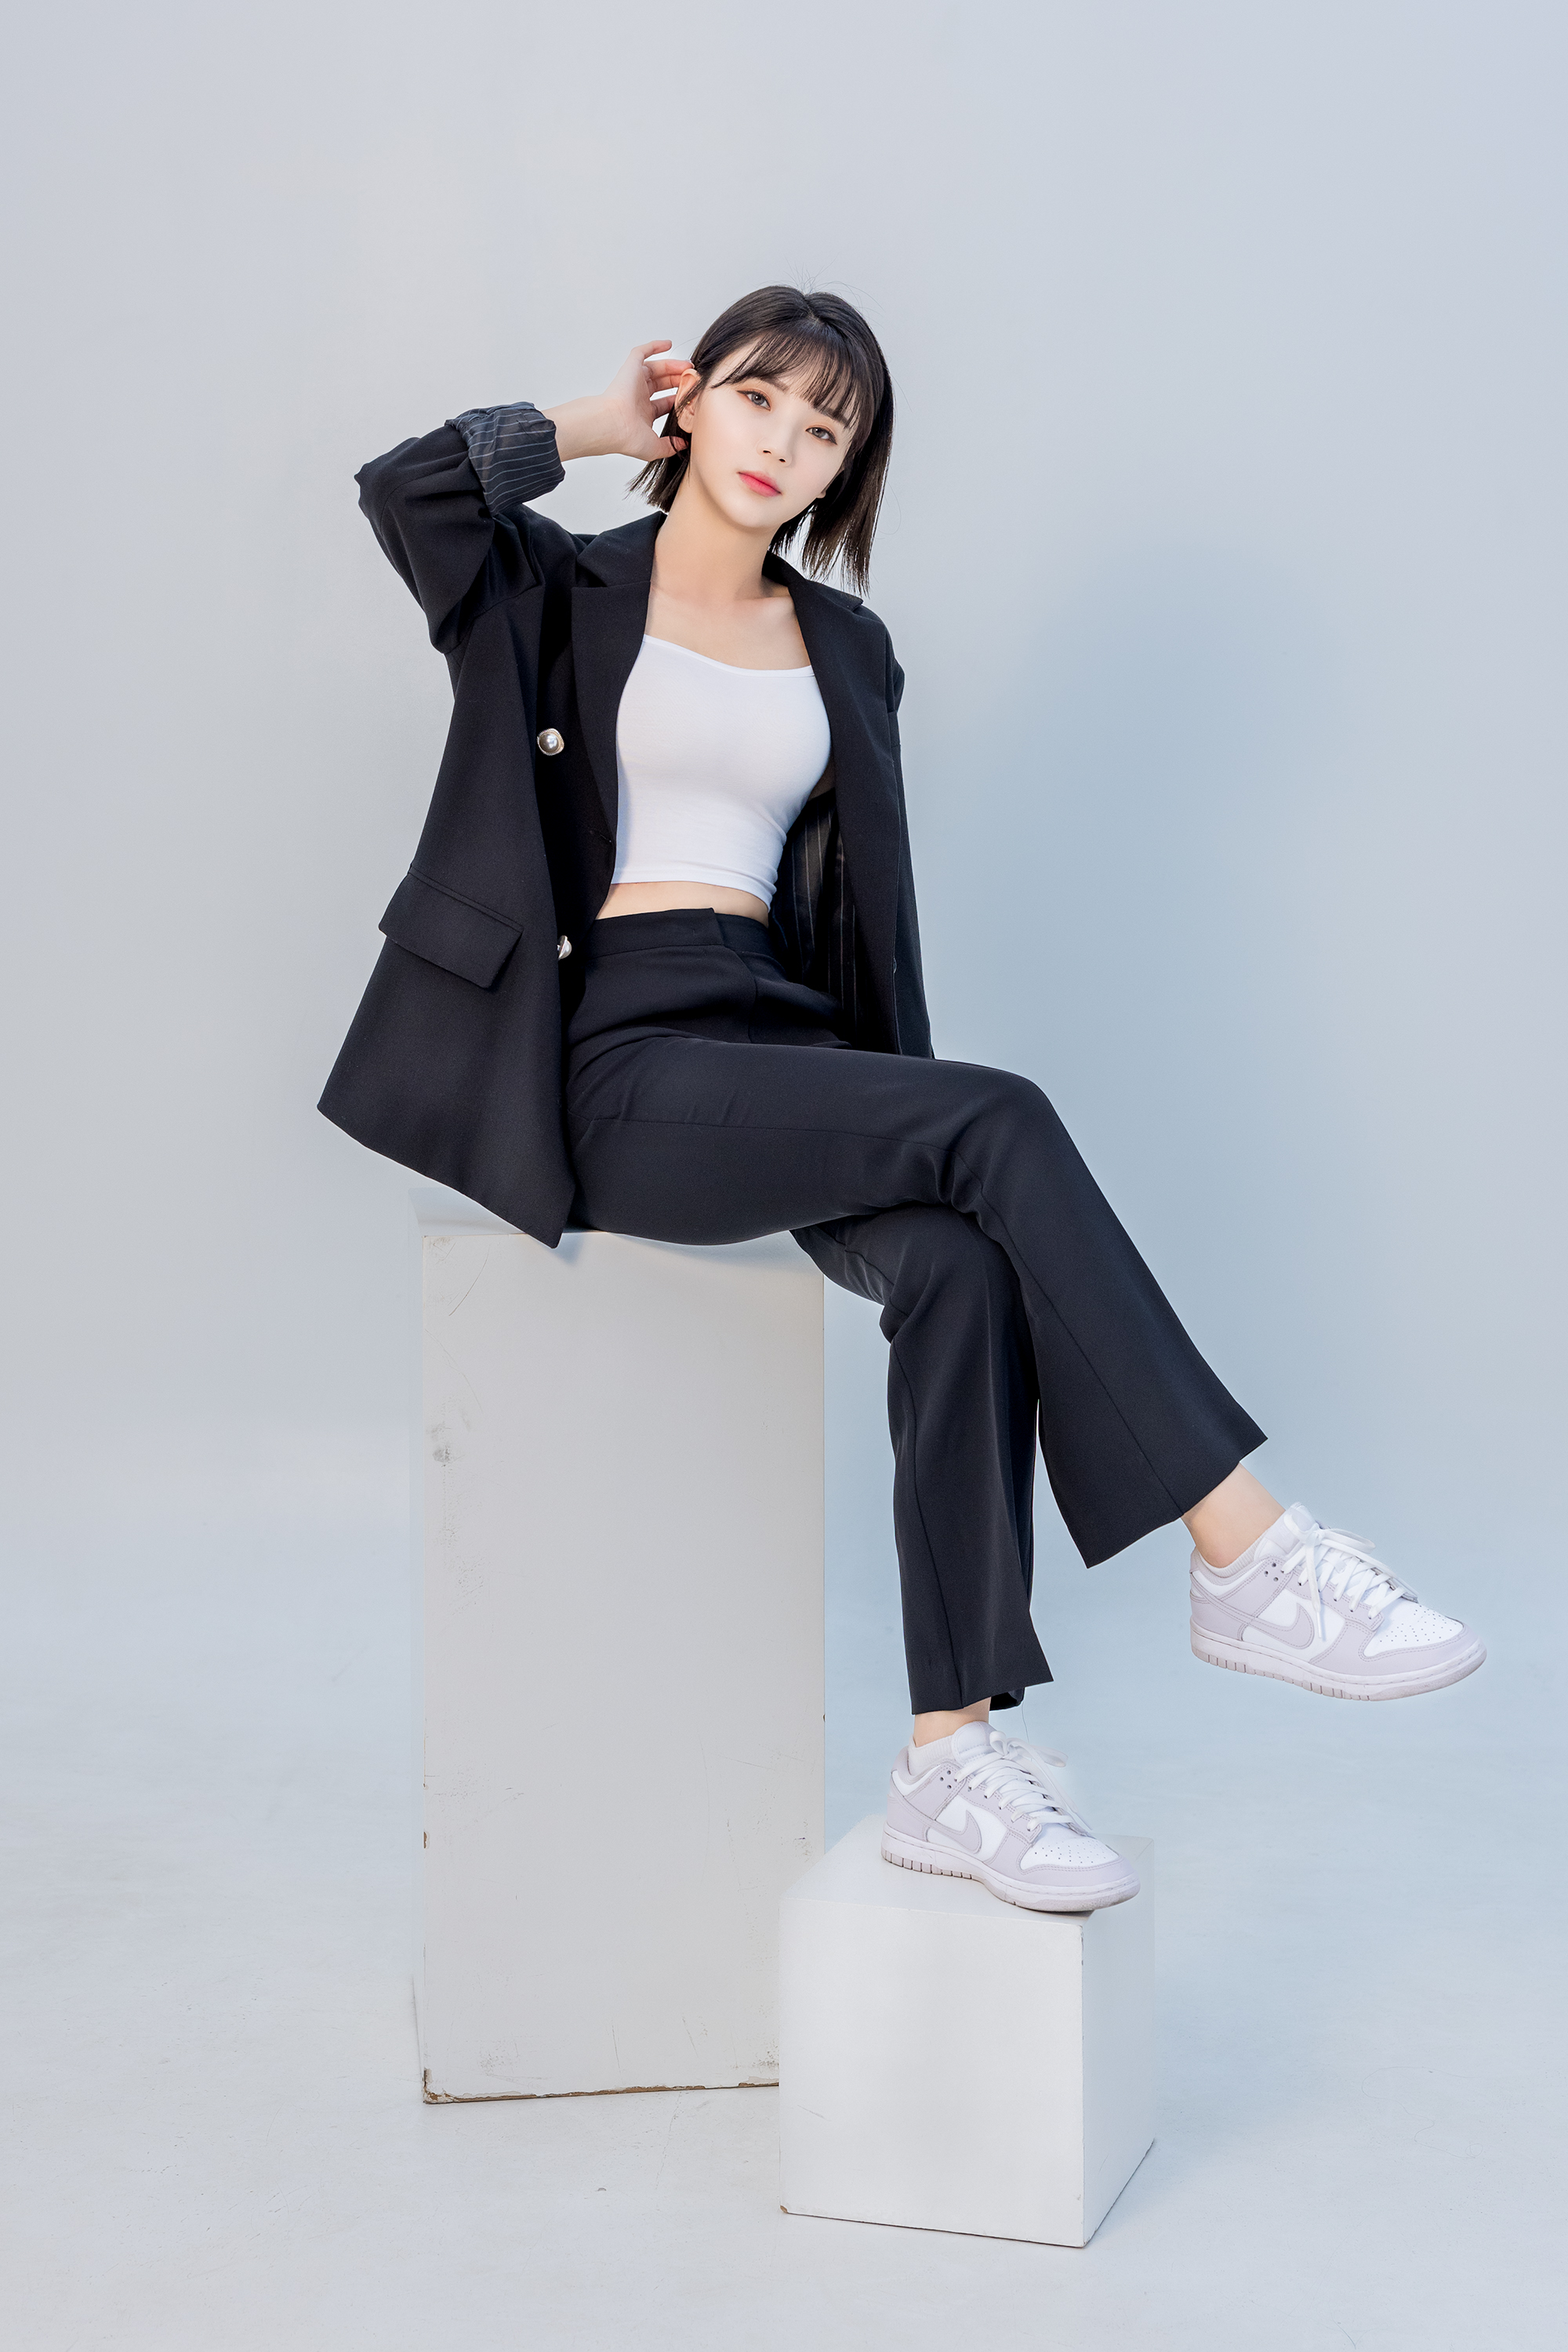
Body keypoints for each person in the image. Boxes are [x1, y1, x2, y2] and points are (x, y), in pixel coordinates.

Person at [321, 285, 1485, 1915]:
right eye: (757, 399)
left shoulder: (849, 649)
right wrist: (588, 426)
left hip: (782, 1038)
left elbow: (868, 921)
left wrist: (906, 1126)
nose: (782, 445)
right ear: (693, 403)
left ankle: (951, 1758)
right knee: (994, 1119)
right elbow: (404, 489)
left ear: (844, 469)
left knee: (959, 1265)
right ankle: (1246, 1550)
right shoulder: (548, 588)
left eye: (825, 429)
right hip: (610, 1058)